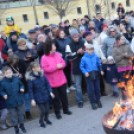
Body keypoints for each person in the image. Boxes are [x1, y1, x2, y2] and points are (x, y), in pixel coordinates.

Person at [41, 40, 72, 119]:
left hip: (61, 79)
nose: (55, 47)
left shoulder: (58, 54)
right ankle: (57, 112)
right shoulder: (44, 58)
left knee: (64, 96)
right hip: (52, 82)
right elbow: (45, 69)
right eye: (54, 46)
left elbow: (64, 63)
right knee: (55, 98)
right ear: (49, 47)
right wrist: (56, 67)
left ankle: (66, 109)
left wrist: (60, 66)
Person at [26, 62, 55, 128]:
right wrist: (32, 99)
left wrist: (50, 92)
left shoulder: (42, 75)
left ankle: (46, 120)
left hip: (45, 95)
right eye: (37, 67)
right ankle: (40, 122)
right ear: (33, 69)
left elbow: (47, 84)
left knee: (47, 109)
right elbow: (30, 90)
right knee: (43, 110)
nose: (39, 68)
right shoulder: (31, 79)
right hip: (38, 97)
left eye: (39, 66)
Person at [15, 38, 38, 119]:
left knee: (31, 93)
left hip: (31, 73)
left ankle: (30, 110)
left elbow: (36, 55)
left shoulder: (29, 50)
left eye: (24, 44)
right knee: (24, 96)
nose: (23, 46)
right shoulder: (16, 53)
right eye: (21, 45)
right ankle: (24, 112)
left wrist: (31, 56)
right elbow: (14, 62)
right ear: (18, 45)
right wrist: (22, 60)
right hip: (22, 76)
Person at [0, 66, 26, 134]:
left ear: (12, 72)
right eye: (6, 73)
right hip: (10, 102)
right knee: (13, 115)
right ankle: (16, 128)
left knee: (21, 113)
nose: (9, 74)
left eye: (10, 72)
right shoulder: (2, 82)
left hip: (19, 100)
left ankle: (22, 126)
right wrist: (4, 94)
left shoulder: (17, 78)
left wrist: (22, 88)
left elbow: (22, 84)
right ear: (4, 74)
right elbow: (1, 91)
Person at [83, 31, 107, 96]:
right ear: (85, 37)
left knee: (100, 77)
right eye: (87, 36)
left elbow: (100, 50)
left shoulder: (95, 42)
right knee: (93, 78)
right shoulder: (84, 45)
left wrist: (103, 58)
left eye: (89, 35)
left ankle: (102, 90)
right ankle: (95, 93)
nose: (89, 37)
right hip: (90, 63)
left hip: (98, 61)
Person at [80, 44, 104, 110]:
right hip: (89, 76)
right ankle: (92, 102)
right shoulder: (83, 58)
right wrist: (85, 72)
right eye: (88, 49)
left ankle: (98, 100)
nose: (90, 51)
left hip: (96, 75)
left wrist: (101, 70)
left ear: (93, 50)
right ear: (86, 50)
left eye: (91, 49)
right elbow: (82, 67)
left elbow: (99, 64)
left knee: (97, 89)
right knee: (91, 90)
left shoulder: (96, 56)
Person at [66, 29, 84, 108]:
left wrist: (83, 52)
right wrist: (77, 53)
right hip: (76, 66)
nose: (76, 38)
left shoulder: (83, 41)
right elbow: (69, 57)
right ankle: (79, 100)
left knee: (88, 82)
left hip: (85, 65)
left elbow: (88, 51)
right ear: (72, 37)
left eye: (77, 36)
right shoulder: (68, 45)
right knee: (78, 85)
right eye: (74, 37)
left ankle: (92, 98)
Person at [113, 35, 133, 100]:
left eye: (124, 39)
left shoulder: (127, 46)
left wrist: (127, 55)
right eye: (122, 39)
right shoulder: (115, 49)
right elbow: (115, 59)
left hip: (128, 66)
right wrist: (122, 56)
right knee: (123, 81)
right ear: (118, 40)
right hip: (121, 67)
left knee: (130, 81)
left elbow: (132, 55)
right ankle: (124, 94)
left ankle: (131, 93)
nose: (123, 40)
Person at [55, 29, 75, 93]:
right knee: (62, 74)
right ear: (58, 34)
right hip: (61, 59)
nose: (62, 34)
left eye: (63, 33)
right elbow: (54, 49)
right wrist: (58, 53)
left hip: (68, 58)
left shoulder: (67, 39)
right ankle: (65, 87)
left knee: (68, 73)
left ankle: (70, 85)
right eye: (61, 33)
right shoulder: (56, 40)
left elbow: (70, 46)